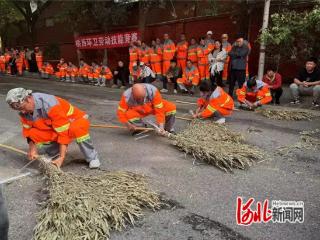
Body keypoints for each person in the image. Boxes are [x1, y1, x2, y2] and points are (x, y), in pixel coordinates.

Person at [6, 88, 101, 168]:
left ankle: (92, 157)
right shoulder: (24, 110)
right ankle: (54, 154)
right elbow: (27, 130)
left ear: (29, 99)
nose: (22, 112)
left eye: (23, 108)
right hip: (55, 125)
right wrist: (32, 149)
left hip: (74, 120)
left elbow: (63, 132)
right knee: (34, 133)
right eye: (18, 109)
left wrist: (62, 157)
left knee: (76, 129)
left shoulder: (50, 105)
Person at [228, 34, 250, 98]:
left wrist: (234, 54)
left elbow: (241, 54)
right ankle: (230, 96)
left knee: (241, 84)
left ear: (242, 41)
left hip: (241, 69)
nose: (238, 43)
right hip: (233, 68)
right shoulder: (234, 47)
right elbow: (229, 53)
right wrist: (236, 55)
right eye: (237, 41)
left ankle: (241, 97)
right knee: (231, 83)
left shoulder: (246, 47)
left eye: (240, 41)